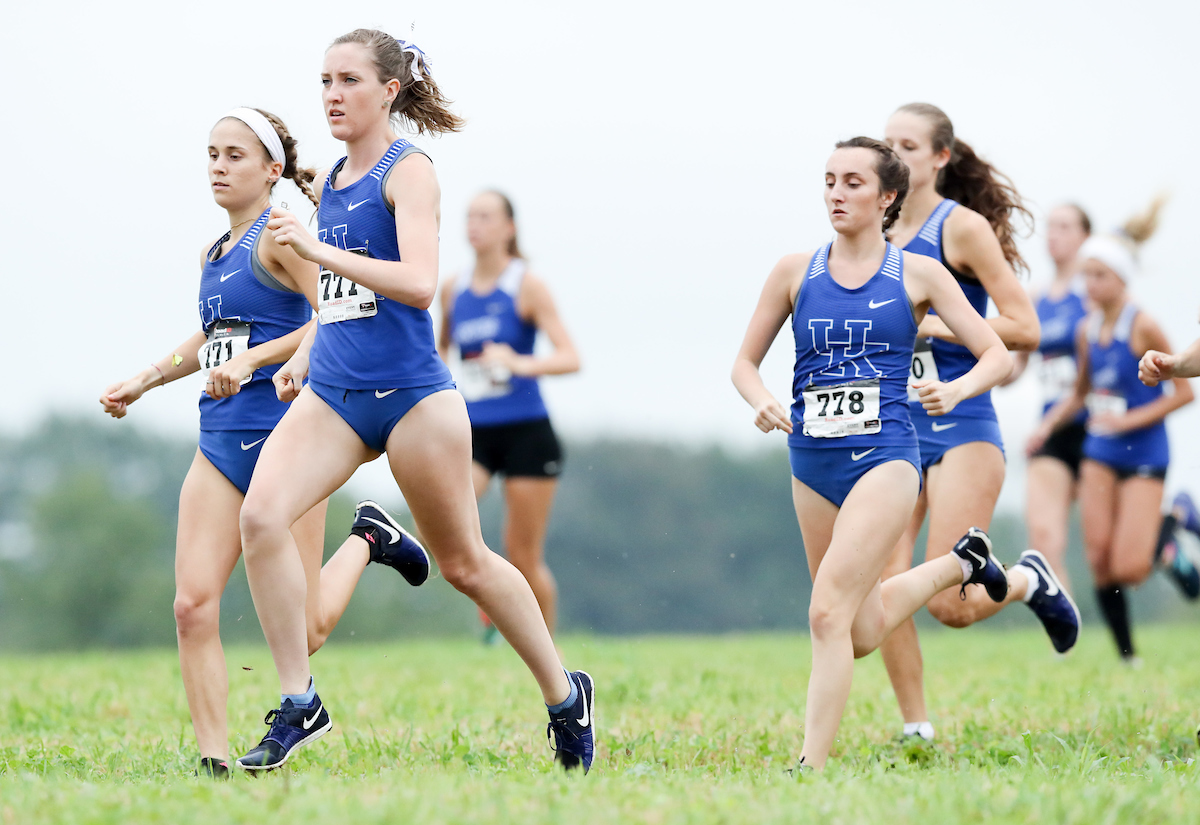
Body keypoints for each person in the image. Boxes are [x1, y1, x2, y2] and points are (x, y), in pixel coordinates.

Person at [232, 30, 593, 773]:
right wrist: (303, 354)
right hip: (335, 395)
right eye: (324, 81)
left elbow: (420, 284)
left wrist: (314, 249)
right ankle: (299, 700)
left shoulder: (411, 171)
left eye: (349, 80)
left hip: (413, 401)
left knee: (465, 564)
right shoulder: (332, 179)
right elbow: (338, 298)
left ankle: (565, 696)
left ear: (389, 90)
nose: (332, 94)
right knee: (261, 517)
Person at [99, 108, 429, 778]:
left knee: (306, 631)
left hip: (290, 443)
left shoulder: (283, 237)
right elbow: (214, 334)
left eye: (234, 156)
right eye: (211, 155)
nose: (218, 168)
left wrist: (258, 362)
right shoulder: (212, 254)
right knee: (191, 605)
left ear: (272, 169)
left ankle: (368, 539)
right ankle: (213, 762)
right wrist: (148, 377)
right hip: (218, 444)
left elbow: (330, 314)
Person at [732, 137, 1012, 771]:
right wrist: (762, 399)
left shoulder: (918, 273)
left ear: (888, 197)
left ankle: (809, 769)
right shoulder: (794, 271)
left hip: (886, 457)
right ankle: (959, 564)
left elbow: (996, 353)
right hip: (811, 460)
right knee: (857, 633)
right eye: (830, 180)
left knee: (826, 613)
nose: (836, 193)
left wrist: (957, 388)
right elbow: (743, 364)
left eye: (853, 182)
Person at [878, 103, 1079, 744]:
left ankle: (1025, 580)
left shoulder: (960, 228)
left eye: (909, 145)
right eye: (887, 143)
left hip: (962, 422)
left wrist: (938, 321)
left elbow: (1025, 327)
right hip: (893, 427)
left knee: (948, 604)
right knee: (884, 584)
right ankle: (916, 728)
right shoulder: (873, 232)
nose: (894, 154)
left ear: (941, 157)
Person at [1032, 199, 1193, 662]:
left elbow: (1184, 393)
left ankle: (1177, 514)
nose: (1090, 284)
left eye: (1099, 275)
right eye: (1086, 275)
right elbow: (1080, 393)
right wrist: (1047, 425)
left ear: (1121, 278)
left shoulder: (1143, 325)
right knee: (1100, 562)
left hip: (1144, 454)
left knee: (1130, 567)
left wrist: (1127, 420)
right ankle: (1127, 656)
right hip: (1100, 452)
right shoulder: (1086, 330)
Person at [437, 191, 580, 643]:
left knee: (523, 555)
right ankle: (491, 598)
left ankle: (550, 654)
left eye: (485, 216)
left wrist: (518, 363)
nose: (474, 225)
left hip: (526, 432)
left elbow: (570, 357)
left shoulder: (526, 286)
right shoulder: (452, 289)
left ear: (508, 228)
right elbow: (439, 351)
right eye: (469, 216)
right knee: (442, 524)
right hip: (474, 432)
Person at [1003, 205, 1092, 591]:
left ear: (1086, 237)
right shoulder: (1036, 298)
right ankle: (1064, 622)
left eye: (1065, 227)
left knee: (1105, 551)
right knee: (1043, 541)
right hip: (1050, 430)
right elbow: (1017, 365)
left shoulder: (1094, 294)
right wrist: (979, 375)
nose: (1054, 235)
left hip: (1097, 426)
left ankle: (1168, 536)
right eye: (1050, 227)